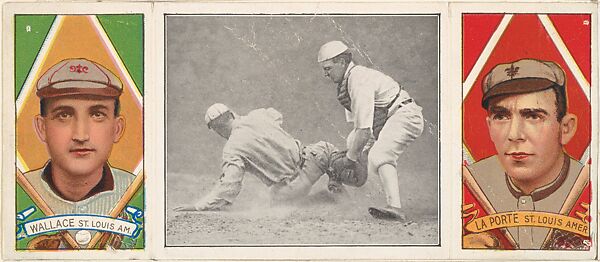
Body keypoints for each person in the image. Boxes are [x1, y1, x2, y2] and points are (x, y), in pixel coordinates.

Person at [463, 58, 589, 250]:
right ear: (489, 127)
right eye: (501, 116)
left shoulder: (589, 184)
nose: (514, 135)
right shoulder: (467, 183)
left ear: (565, 128)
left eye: (533, 116)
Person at [24, 58, 136, 248]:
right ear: (41, 128)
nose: (81, 135)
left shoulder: (138, 190)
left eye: (97, 114)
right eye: (64, 115)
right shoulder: (18, 190)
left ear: (117, 128)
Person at [317, 40, 424, 221]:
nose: (325, 74)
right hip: (387, 119)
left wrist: (349, 160)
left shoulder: (358, 79)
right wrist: (346, 164)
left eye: (327, 68)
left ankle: (395, 208)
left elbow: (364, 131)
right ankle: (355, 198)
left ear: (342, 62)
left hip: (405, 114)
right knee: (353, 142)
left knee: (379, 155)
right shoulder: (346, 83)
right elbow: (359, 130)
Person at [174, 104, 347, 211]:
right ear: (232, 114)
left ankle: (325, 199)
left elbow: (229, 187)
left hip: (295, 185)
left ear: (217, 129)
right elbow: (276, 115)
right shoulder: (258, 115)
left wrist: (198, 206)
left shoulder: (232, 149)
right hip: (316, 157)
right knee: (328, 150)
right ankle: (336, 181)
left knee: (277, 204)